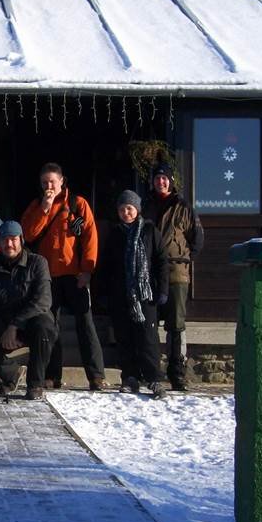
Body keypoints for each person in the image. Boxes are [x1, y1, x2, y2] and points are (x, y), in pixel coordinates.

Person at [21, 163, 105, 391]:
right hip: (48, 276)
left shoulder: (78, 204)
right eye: (45, 182)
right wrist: (45, 209)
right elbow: (27, 235)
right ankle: (52, 375)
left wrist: (87, 270)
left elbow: (90, 238)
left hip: (75, 273)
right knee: (50, 325)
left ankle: (96, 376)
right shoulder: (37, 205)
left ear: (61, 182)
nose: (49, 186)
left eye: (53, 182)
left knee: (85, 324)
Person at [0, 220, 58, 401]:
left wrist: (15, 325)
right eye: (4, 240)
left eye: (13, 239)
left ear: (21, 240)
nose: (9, 244)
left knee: (44, 327)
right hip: (2, 327)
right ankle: (12, 373)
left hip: (30, 323)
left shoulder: (37, 263)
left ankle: (35, 384)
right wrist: (3, 332)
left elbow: (43, 301)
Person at [102, 190, 169, 400]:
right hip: (121, 295)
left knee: (148, 338)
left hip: (145, 294)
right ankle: (129, 377)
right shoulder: (115, 233)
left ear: (137, 209)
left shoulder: (149, 230)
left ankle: (154, 379)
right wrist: (105, 293)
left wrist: (163, 290)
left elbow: (161, 261)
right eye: (122, 209)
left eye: (129, 208)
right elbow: (108, 266)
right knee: (125, 338)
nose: (125, 212)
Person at [144, 162, 204, 392]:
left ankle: (177, 372)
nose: (161, 181)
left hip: (177, 272)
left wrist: (184, 258)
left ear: (171, 180)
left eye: (164, 178)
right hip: (150, 272)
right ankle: (150, 370)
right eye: (157, 178)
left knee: (176, 324)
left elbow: (197, 239)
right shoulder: (146, 206)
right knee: (149, 322)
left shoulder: (183, 206)